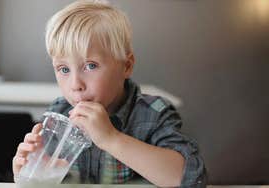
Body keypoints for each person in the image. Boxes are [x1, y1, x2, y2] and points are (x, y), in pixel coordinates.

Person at [12, 0, 207, 187]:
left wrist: (111, 138)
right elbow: (41, 181)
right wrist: (27, 168)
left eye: (90, 65)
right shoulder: (59, 113)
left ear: (126, 66)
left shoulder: (153, 114)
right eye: (64, 69)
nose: (75, 84)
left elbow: (186, 177)